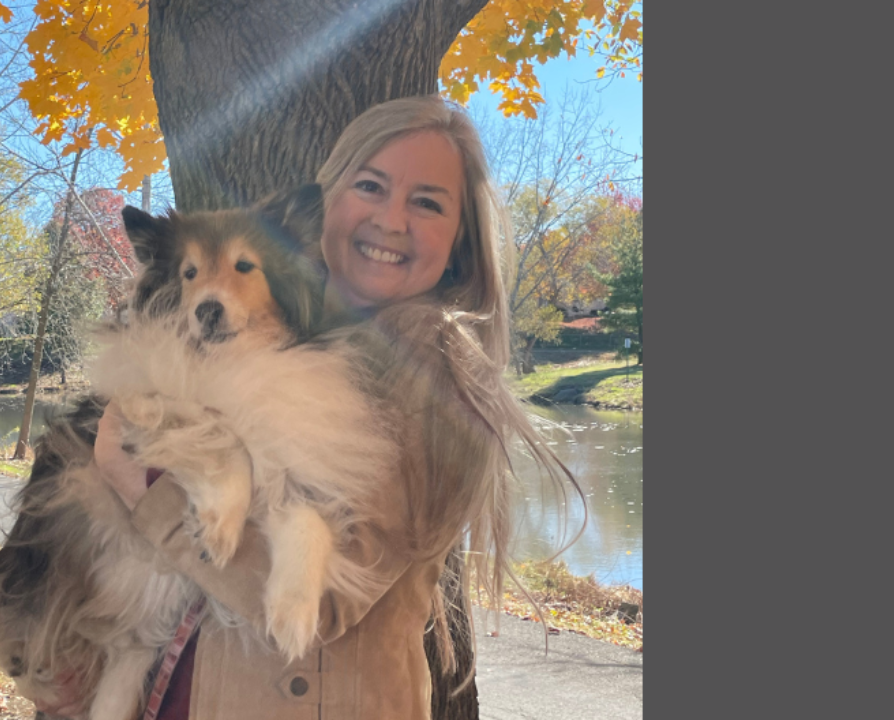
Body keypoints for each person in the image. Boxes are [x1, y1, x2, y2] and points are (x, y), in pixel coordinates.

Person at [39, 95, 578, 720]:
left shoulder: (436, 373)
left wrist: (138, 480)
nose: (391, 220)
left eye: (427, 203)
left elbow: (314, 607)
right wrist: (58, 658)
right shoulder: (308, 333)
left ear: (459, 241)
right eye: (371, 186)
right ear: (330, 200)